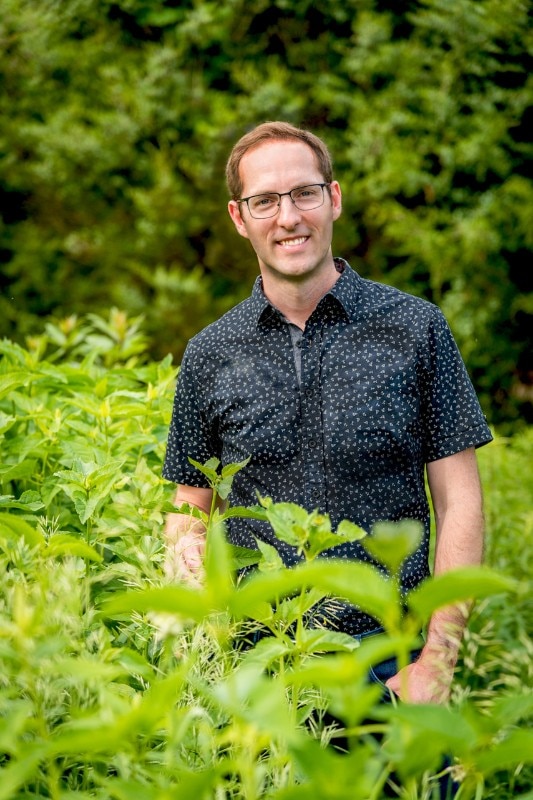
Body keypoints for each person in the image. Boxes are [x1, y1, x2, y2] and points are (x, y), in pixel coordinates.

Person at [162, 120, 492, 706]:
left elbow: (460, 499)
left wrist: (437, 661)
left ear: (333, 198)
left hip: (390, 663)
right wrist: (201, 635)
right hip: (257, 669)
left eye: (303, 193)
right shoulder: (210, 353)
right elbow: (191, 506)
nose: (288, 217)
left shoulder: (416, 329)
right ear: (240, 218)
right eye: (264, 200)